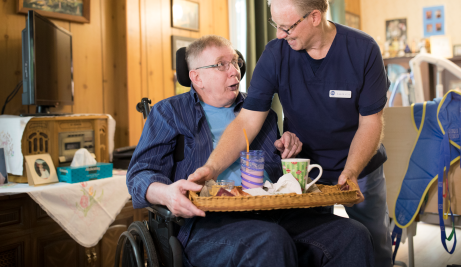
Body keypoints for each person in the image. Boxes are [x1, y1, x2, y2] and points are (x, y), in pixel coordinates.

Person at [189, 0, 392, 267]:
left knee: (374, 247)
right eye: (276, 26)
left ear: (315, 16)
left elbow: (370, 122)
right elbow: (247, 121)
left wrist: (351, 170)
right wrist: (211, 167)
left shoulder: (363, 50)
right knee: (322, 249)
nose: (280, 35)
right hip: (304, 171)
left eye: (287, 27)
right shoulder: (275, 54)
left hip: (360, 168)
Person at [127, 35, 375, 267]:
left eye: (235, 61)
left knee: (352, 234)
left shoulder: (261, 112)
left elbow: (277, 176)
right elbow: (139, 174)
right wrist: (166, 194)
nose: (235, 70)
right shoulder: (168, 113)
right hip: (207, 223)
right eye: (221, 65)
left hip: (275, 211)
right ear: (196, 77)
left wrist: (288, 147)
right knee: (269, 240)